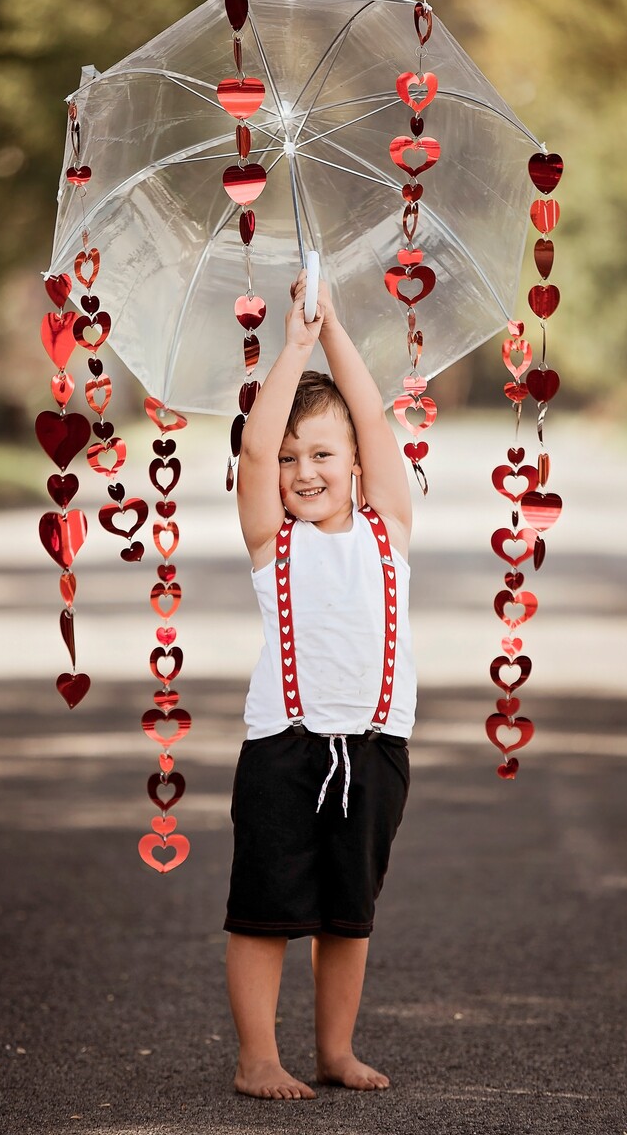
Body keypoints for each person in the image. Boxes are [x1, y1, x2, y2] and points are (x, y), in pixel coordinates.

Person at [224, 269, 416, 1100]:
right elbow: (254, 448)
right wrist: (295, 344)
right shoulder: (274, 541)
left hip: (376, 748)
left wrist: (333, 329)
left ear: (357, 463)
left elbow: (372, 417)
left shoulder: (389, 528)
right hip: (285, 747)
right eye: (291, 459)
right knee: (265, 910)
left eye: (323, 454)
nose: (303, 471)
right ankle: (258, 1058)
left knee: (349, 913)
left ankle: (336, 1050)